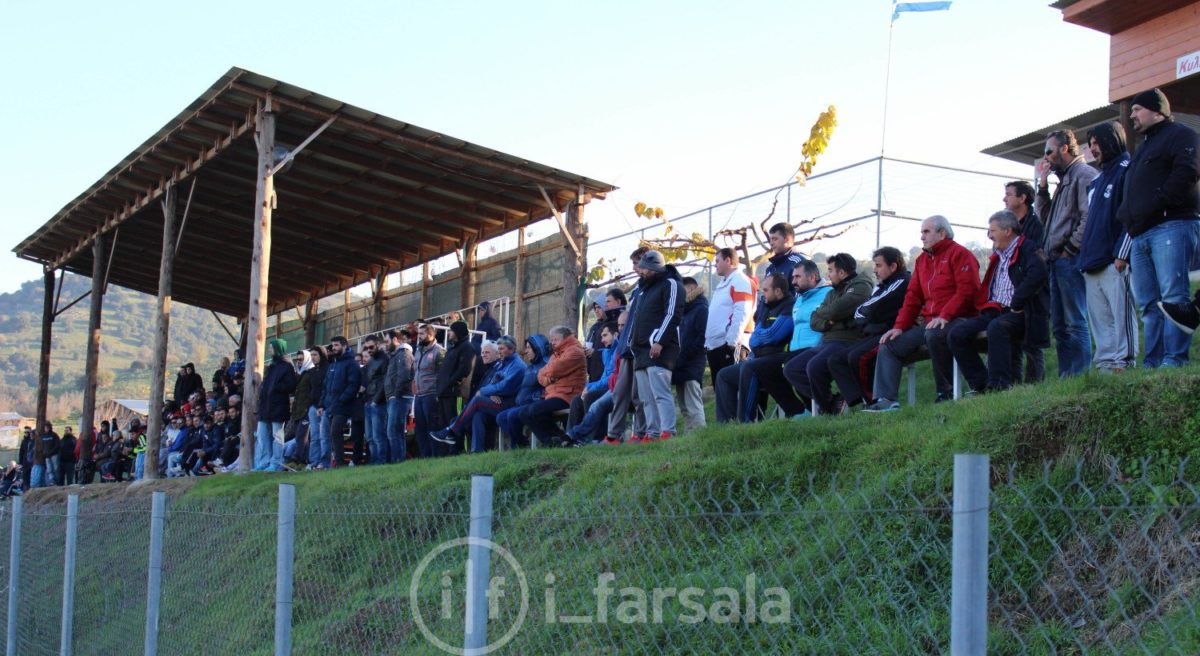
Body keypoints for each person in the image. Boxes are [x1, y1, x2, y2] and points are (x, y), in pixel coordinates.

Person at [1116, 88, 1200, 367]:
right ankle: (1153, 363)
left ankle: (1174, 360)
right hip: (1141, 234)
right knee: (1149, 305)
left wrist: (1159, 202)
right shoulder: (1142, 149)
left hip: (1171, 225)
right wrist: (1128, 216)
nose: (1132, 115)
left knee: (1174, 296)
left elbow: (1187, 171)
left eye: (1137, 109)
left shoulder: (1182, 135)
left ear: (1157, 111)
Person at [864, 215, 980, 412]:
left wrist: (945, 315)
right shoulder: (922, 261)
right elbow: (913, 297)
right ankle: (886, 400)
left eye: (926, 232)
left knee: (934, 334)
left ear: (942, 233)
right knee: (889, 344)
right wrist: (899, 327)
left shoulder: (961, 254)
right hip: (931, 322)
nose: (922, 237)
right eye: (921, 232)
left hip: (960, 318)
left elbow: (966, 291)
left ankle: (946, 391)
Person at [948, 210, 1049, 393]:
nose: (989, 235)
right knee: (957, 334)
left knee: (997, 327)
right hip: (995, 310)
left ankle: (999, 385)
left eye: (993, 230)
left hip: (1022, 312)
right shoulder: (999, 255)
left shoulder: (1028, 248)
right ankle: (982, 385)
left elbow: (1038, 274)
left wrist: (1017, 302)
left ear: (1008, 230)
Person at [1035, 129, 1099, 377]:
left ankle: (1081, 374)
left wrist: (1071, 248)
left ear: (1064, 148)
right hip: (1056, 261)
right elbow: (1045, 219)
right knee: (1060, 326)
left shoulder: (1083, 174)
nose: (1046, 157)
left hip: (1069, 259)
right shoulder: (1064, 180)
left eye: (1049, 151)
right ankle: (1067, 377)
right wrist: (1042, 187)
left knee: (1074, 321)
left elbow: (1089, 216)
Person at [1080, 121, 1138, 373]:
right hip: (1091, 262)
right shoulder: (1097, 180)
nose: (1093, 149)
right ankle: (1105, 365)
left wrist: (1122, 254)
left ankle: (1123, 362)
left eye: (1097, 143)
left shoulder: (1128, 169)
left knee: (1121, 314)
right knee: (1101, 320)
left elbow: (1132, 215)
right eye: (1090, 144)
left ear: (1112, 140)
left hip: (1115, 260)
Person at [783, 253, 873, 416]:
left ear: (842, 273)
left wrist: (827, 314)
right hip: (827, 341)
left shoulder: (861, 286)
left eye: (830, 271)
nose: (827, 275)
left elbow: (837, 308)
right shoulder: (833, 293)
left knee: (814, 366)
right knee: (792, 369)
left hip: (847, 340)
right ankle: (832, 404)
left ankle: (830, 411)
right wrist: (827, 321)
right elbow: (814, 320)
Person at [827, 247, 911, 409]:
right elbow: (863, 311)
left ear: (893, 267)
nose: (874, 270)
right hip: (876, 332)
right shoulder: (883, 286)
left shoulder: (902, 281)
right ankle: (859, 402)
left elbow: (866, 309)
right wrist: (868, 320)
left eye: (878, 266)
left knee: (857, 357)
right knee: (836, 360)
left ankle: (875, 401)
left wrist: (868, 319)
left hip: (893, 332)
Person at [715, 273, 796, 423]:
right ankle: (726, 424)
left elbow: (774, 335)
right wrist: (761, 335)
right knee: (723, 375)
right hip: (758, 357)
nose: (761, 293)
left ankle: (746, 422)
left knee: (749, 368)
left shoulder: (789, 305)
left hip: (779, 358)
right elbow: (753, 340)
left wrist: (760, 335)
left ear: (778, 291)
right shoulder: (764, 305)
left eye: (765, 290)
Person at [752, 263, 829, 418]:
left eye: (797, 277)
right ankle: (798, 411)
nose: (793, 281)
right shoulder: (799, 299)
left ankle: (823, 406)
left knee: (791, 366)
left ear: (812, 277)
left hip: (816, 347)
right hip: (795, 350)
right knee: (762, 367)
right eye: (793, 276)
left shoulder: (828, 293)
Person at [628, 250, 685, 442]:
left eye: (644, 267)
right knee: (646, 397)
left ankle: (668, 431)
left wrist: (659, 341)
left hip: (661, 348)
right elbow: (635, 319)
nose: (641, 271)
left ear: (654, 268)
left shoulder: (671, 284)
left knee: (660, 393)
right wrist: (631, 343)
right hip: (640, 351)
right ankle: (652, 433)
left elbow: (672, 315)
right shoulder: (644, 289)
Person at [435, 337, 526, 453]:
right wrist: (491, 393)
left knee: (478, 400)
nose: (499, 352)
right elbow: (495, 383)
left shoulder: (517, 366)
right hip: (499, 400)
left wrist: (484, 391)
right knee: (479, 414)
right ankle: (476, 451)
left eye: (501, 349)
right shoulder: (504, 363)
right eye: (498, 349)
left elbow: (504, 386)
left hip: (509, 404)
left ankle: (452, 430)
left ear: (512, 349)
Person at [604, 248, 650, 444]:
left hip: (641, 348)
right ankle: (613, 435)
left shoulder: (654, 287)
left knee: (638, 395)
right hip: (626, 349)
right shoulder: (638, 289)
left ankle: (640, 433)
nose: (635, 267)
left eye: (638, 262)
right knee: (620, 393)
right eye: (633, 263)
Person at [1003, 180, 1048, 383]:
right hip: (1013, 292)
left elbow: (1037, 263)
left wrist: (1023, 292)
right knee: (1014, 341)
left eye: (1009, 194)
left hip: (1033, 293)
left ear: (1022, 199)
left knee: (1032, 341)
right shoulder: (1008, 226)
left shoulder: (1035, 226)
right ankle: (1014, 385)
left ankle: (1035, 384)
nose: (1004, 198)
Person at [520, 326, 587, 446]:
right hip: (553, 395)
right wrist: (549, 376)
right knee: (523, 413)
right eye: (551, 339)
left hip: (568, 396)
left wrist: (549, 374)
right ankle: (555, 441)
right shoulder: (556, 354)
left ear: (565, 339)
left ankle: (558, 441)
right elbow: (540, 376)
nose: (552, 342)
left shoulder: (575, 351)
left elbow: (554, 369)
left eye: (555, 339)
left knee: (534, 410)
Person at [704, 247, 757, 387]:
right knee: (721, 391)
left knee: (733, 390)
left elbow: (742, 311)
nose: (715, 264)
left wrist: (732, 341)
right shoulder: (724, 284)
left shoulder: (740, 280)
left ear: (728, 260)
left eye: (717, 260)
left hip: (730, 345)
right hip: (716, 345)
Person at [497, 335, 551, 448]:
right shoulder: (530, 368)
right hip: (521, 404)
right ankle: (522, 442)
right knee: (501, 417)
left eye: (529, 348)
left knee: (512, 416)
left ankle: (519, 446)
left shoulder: (547, 365)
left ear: (538, 348)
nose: (526, 351)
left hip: (535, 403)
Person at [253, 338, 297, 472]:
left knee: (277, 437)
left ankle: (276, 462)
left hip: (278, 407)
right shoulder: (271, 367)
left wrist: (276, 388)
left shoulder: (287, 366)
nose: (270, 350)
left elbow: (291, 386)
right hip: (265, 407)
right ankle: (264, 462)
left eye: (272, 347)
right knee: (262, 436)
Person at [433, 321, 477, 456]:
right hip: (444, 392)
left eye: (451, 331)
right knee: (446, 424)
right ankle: (450, 453)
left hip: (455, 393)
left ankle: (461, 451)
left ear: (458, 332)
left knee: (456, 421)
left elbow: (465, 369)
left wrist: (451, 383)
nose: (449, 333)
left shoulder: (467, 347)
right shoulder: (452, 348)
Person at [672, 277, 709, 432]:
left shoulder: (701, 309)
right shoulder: (684, 311)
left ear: (692, 288)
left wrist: (685, 356)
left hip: (693, 363)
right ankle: (690, 436)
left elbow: (701, 338)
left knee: (693, 403)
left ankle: (700, 435)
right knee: (684, 406)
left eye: (683, 290)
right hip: (681, 364)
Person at [319, 336, 360, 468]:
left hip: (343, 406)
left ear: (344, 346)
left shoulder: (352, 363)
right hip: (331, 406)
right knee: (332, 434)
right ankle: (337, 461)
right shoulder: (333, 364)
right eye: (333, 345)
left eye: (336, 345)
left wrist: (342, 399)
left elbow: (353, 385)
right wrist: (321, 404)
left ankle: (340, 463)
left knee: (335, 431)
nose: (334, 348)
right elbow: (326, 387)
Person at [412, 324, 445, 459]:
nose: (419, 336)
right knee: (420, 428)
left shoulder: (439, 351)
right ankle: (425, 456)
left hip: (431, 394)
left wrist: (438, 393)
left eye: (422, 334)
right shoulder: (418, 350)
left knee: (433, 427)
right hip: (419, 395)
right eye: (418, 333)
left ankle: (435, 456)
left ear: (431, 335)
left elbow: (442, 374)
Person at [384, 329, 415, 464]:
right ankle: (398, 460)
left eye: (387, 341)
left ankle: (397, 461)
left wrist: (395, 395)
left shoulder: (403, 354)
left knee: (394, 431)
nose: (385, 344)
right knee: (395, 431)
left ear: (396, 340)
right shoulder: (396, 355)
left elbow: (404, 375)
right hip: (396, 398)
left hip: (400, 398)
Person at [360, 334, 390, 465]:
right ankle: (374, 462)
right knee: (370, 437)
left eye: (371, 347)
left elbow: (385, 382)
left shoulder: (385, 359)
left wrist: (376, 400)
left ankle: (381, 462)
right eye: (366, 347)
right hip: (369, 400)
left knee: (378, 436)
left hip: (379, 402)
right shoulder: (371, 361)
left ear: (378, 345)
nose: (369, 350)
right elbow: (367, 381)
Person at [763, 222, 809, 303]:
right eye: (770, 239)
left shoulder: (799, 263)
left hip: (788, 314)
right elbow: (764, 298)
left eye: (775, 239)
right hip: (771, 315)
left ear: (786, 239)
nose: (771, 243)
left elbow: (800, 296)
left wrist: (778, 307)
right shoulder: (770, 268)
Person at [289, 349, 318, 466]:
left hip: (306, 409)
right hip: (298, 410)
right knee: (300, 436)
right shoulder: (301, 373)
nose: (299, 361)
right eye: (297, 359)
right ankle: (304, 461)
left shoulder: (311, 372)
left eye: (301, 359)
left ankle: (297, 460)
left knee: (301, 436)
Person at [305, 346, 329, 469]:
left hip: (324, 406)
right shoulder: (312, 371)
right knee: (314, 436)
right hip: (313, 407)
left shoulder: (328, 369)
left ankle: (324, 462)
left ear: (321, 355)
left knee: (324, 436)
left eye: (315, 355)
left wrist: (322, 404)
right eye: (311, 355)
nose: (313, 357)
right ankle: (314, 461)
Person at [39, 422, 60, 487]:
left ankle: (57, 481)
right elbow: (42, 446)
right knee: (49, 469)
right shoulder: (43, 436)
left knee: (56, 468)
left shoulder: (54, 435)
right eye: (45, 428)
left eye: (47, 427)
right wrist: (44, 453)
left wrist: (51, 452)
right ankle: (51, 481)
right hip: (46, 456)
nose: (46, 429)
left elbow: (57, 445)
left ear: (49, 427)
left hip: (54, 455)